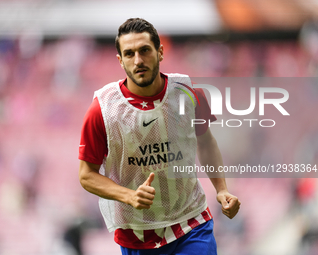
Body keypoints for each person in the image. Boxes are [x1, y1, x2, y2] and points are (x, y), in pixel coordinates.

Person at [78, 18, 241, 255]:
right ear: (120, 60)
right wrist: (130, 195)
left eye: (144, 50)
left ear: (160, 51)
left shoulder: (188, 93)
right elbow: (87, 175)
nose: (138, 60)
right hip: (138, 235)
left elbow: (205, 143)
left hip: (191, 223)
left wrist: (222, 189)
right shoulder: (102, 110)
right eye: (129, 53)